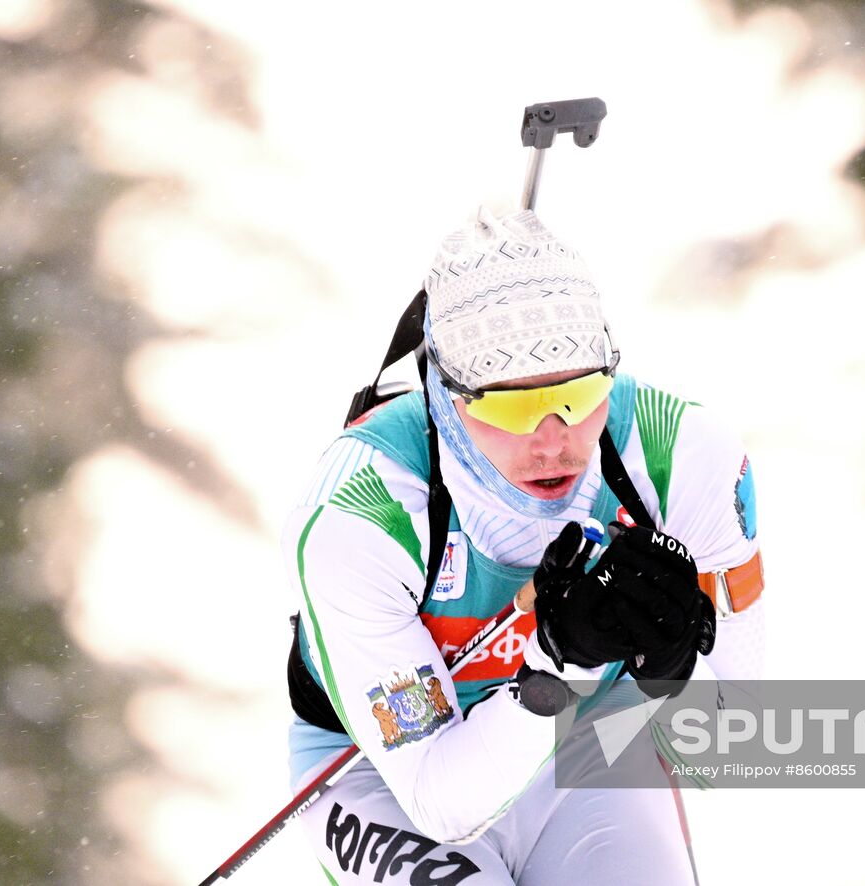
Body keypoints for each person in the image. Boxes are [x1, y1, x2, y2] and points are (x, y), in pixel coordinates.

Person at [283, 208, 765, 884]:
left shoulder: (680, 457)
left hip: (585, 750)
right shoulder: (361, 513)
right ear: (447, 394)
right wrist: (556, 670)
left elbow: (739, 753)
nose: (552, 438)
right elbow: (440, 800)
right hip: (381, 776)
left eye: (577, 395)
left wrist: (671, 672)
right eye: (509, 405)